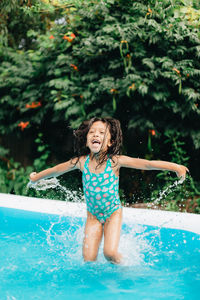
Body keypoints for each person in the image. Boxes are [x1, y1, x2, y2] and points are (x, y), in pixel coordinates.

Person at [29, 117, 188, 264]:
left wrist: (175, 167)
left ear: (110, 142)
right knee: (88, 260)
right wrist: (36, 178)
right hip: (93, 217)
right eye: (92, 132)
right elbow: (56, 169)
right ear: (86, 141)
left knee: (109, 253)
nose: (95, 135)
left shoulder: (115, 162)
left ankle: (125, 267)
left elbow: (147, 164)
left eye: (101, 132)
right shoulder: (81, 162)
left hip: (113, 213)